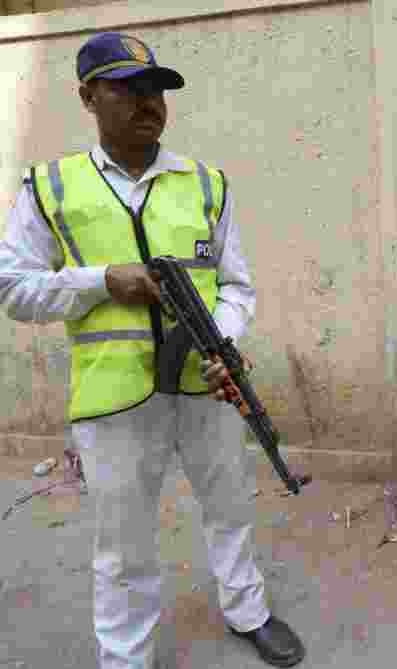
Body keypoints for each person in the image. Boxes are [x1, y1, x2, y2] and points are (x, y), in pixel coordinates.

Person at [0, 33, 305, 668]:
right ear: (88, 98)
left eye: (157, 90)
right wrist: (100, 281)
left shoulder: (205, 183)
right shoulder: (50, 186)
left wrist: (224, 339)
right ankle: (124, 656)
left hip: (207, 387)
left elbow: (237, 284)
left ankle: (246, 611)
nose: (149, 103)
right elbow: (14, 288)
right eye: (127, 89)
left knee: (229, 508)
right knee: (123, 543)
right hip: (114, 399)